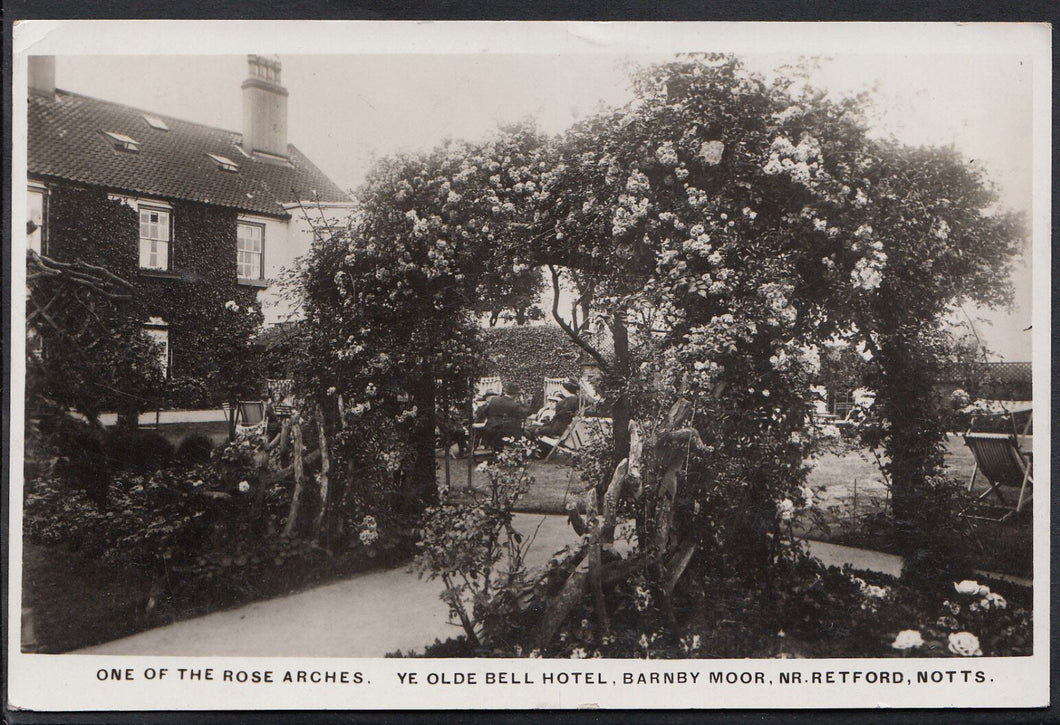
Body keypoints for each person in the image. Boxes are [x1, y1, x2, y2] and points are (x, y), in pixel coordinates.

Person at [474, 382, 530, 452]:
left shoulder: (494, 400)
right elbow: (527, 413)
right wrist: (522, 401)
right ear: (516, 395)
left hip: (490, 431)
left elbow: (484, 413)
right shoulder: (514, 405)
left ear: (505, 391)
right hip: (508, 433)